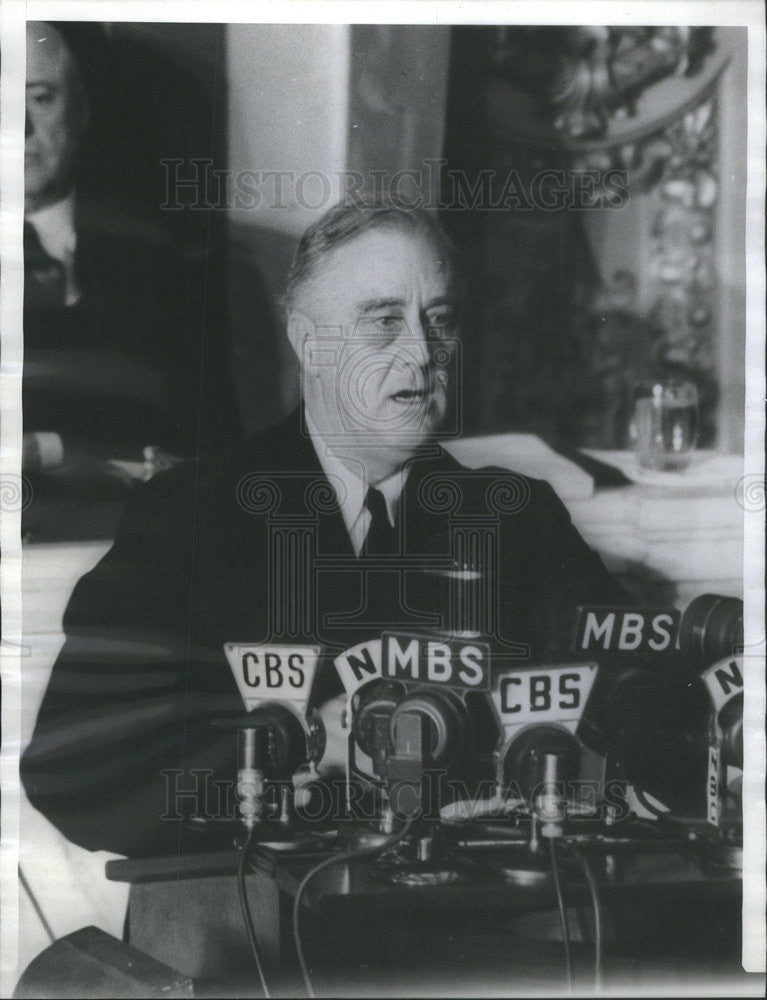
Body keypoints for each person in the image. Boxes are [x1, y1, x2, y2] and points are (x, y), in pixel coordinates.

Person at [21, 197, 630, 857]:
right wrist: (302, 747)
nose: (422, 355)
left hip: (483, 924)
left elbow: (640, 707)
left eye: (440, 320)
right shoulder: (191, 515)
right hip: (254, 933)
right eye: (383, 322)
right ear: (309, 343)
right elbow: (73, 766)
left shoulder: (518, 517)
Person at [23, 21, 238, 468]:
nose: (18, 125)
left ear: (80, 111)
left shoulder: (164, 260)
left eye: (40, 98)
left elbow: (213, 442)